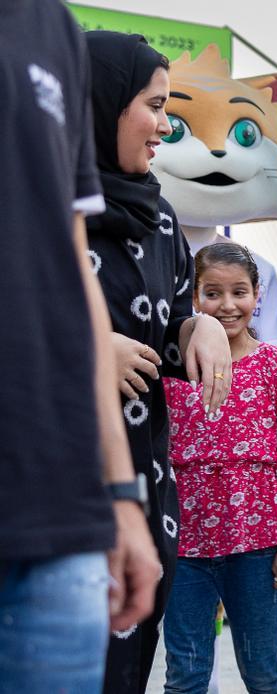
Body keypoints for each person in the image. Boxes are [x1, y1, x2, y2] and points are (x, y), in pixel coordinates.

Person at [0, 7, 159, 691]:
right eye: (153, 105)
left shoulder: (50, 27)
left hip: (57, 505)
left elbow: (70, 273)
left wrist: (120, 495)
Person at [83, 31, 233, 694]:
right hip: (56, 505)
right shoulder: (29, 209)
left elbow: (164, 333)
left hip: (146, 500)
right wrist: (85, 351)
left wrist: (199, 326)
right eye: (153, 105)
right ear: (99, 105)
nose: (166, 126)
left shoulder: (161, 222)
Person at [161, 244, 277, 693]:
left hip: (257, 547)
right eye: (212, 293)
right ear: (194, 298)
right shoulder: (171, 367)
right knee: (185, 675)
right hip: (185, 549)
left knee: (264, 673)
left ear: (258, 295)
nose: (227, 304)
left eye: (239, 291)